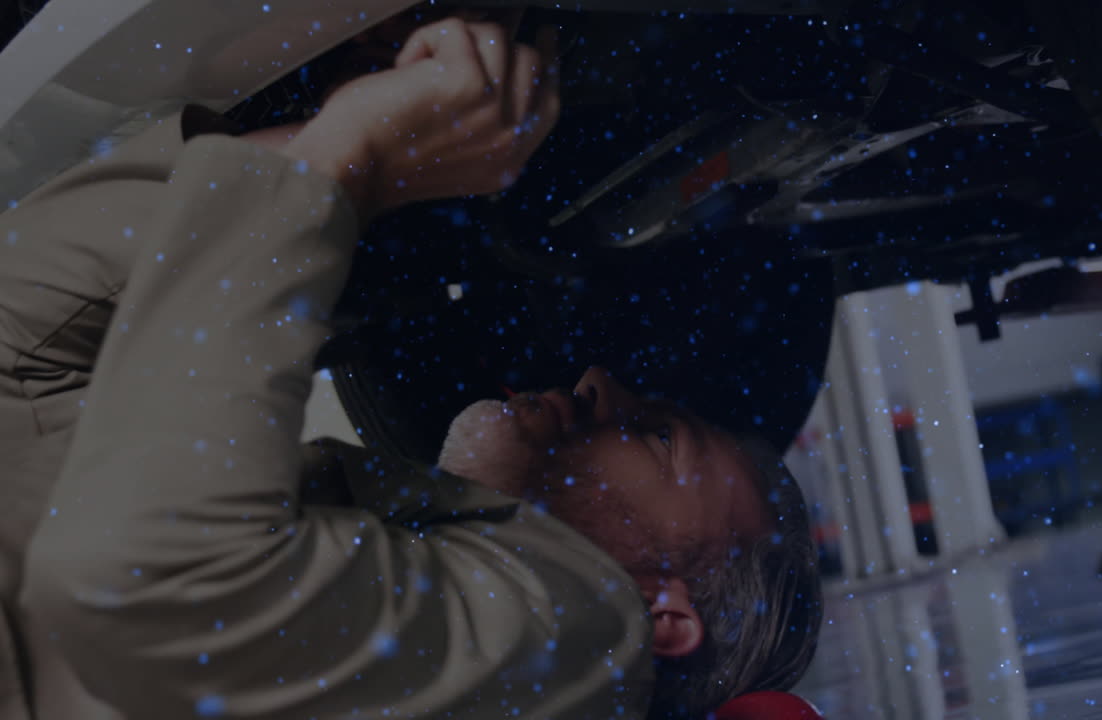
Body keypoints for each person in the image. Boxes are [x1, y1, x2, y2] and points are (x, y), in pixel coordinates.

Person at [0, 6, 821, 720]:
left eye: (656, 438)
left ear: (663, 612)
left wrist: (349, 161)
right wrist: (353, 152)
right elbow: (21, 346)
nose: (597, 382)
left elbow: (140, 589)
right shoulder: (359, 552)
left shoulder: (593, 647)